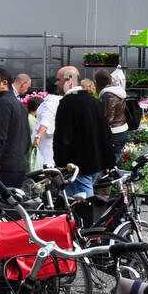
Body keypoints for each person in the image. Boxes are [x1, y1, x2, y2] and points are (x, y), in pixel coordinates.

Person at [51, 66, 111, 197]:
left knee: (83, 208)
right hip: (95, 164)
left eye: (58, 80)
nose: (56, 83)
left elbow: (62, 137)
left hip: (76, 166)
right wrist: (108, 161)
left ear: (69, 81)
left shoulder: (67, 103)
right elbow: (106, 132)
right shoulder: (94, 102)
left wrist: (60, 164)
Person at [0, 67, 30, 188]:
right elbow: (27, 139)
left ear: (4, 83)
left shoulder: (3, 104)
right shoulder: (20, 105)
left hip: (4, 167)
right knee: (12, 206)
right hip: (20, 166)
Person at [95, 68, 129, 168]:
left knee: (115, 162)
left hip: (114, 132)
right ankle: (116, 182)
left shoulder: (109, 94)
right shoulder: (117, 90)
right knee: (114, 160)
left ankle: (121, 183)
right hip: (121, 129)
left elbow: (108, 117)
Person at [32, 79, 61, 168]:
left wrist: (38, 136)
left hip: (46, 142)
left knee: (47, 167)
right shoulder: (58, 99)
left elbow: (46, 119)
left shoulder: (51, 100)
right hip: (49, 140)